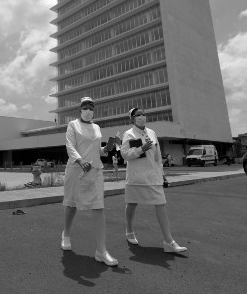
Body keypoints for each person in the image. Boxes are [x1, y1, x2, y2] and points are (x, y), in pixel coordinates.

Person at [121, 107, 187, 254]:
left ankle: (168, 241)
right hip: (137, 177)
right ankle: (129, 231)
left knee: (161, 204)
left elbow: (157, 156)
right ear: (132, 119)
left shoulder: (152, 133)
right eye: (138, 115)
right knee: (131, 203)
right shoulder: (129, 134)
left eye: (144, 114)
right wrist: (141, 149)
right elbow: (125, 154)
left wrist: (162, 174)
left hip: (153, 177)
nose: (142, 117)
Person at [61, 96, 118, 266]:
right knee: (71, 204)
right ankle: (66, 234)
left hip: (95, 170)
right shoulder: (73, 125)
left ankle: (101, 251)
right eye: (85, 107)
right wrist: (80, 160)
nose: (88, 110)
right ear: (80, 109)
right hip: (76, 169)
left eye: (91, 107)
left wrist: (106, 148)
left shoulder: (96, 127)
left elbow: (95, 150)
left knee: (98, 206)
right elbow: (70, 146)